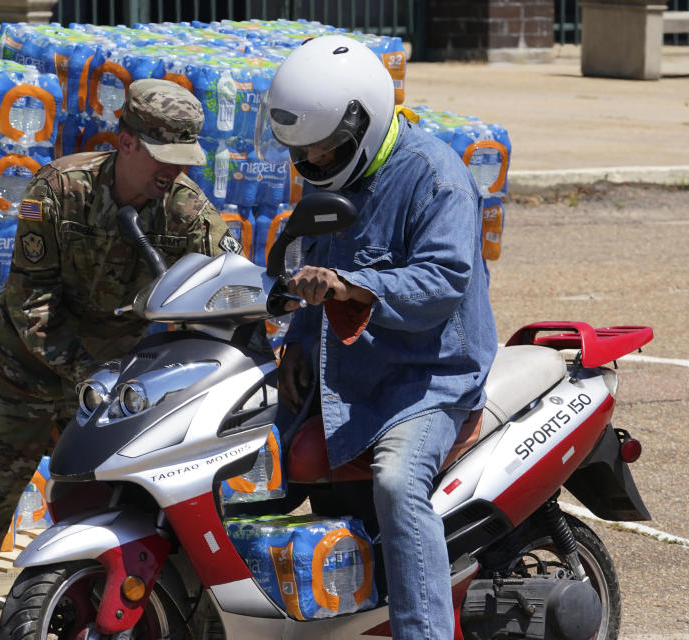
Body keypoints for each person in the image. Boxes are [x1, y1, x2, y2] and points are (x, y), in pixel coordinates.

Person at [0, 78, 239, 640]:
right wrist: (88, 373)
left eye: (185, 160)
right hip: (21, 373)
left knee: (158, 516)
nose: (174, 172)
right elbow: (30, 299)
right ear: (126, 142)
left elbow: (227, 300)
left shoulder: (191, 216)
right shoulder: (61, 188)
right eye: (164, 157)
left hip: (117, 391)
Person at [261, 35, 497, 639]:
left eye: (322, 149)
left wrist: (352, 286)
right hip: (343, 369)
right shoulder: (332, 170)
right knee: (241, 456)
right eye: (302, 153)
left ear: (361, 122)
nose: (311, 162)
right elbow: (315, 269)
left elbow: (441, 282)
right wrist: (295, 346)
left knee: (396, 482)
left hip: (425, 377)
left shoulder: (435, 176)